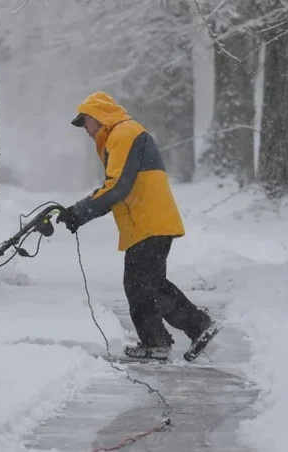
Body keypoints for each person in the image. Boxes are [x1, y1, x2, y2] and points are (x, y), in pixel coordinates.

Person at [55, 91, 219, 362]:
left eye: (85, 121)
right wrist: (78, 212)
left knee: (144, 285)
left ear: (98, 116)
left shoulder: (124, 133)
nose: (84, 128)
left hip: (149, 223)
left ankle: (193, 327)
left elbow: (117, 187)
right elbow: (117, 188)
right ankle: (161, 340)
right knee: (145, 284)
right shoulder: (121, 135)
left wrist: (79, 213)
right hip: (147, 223)